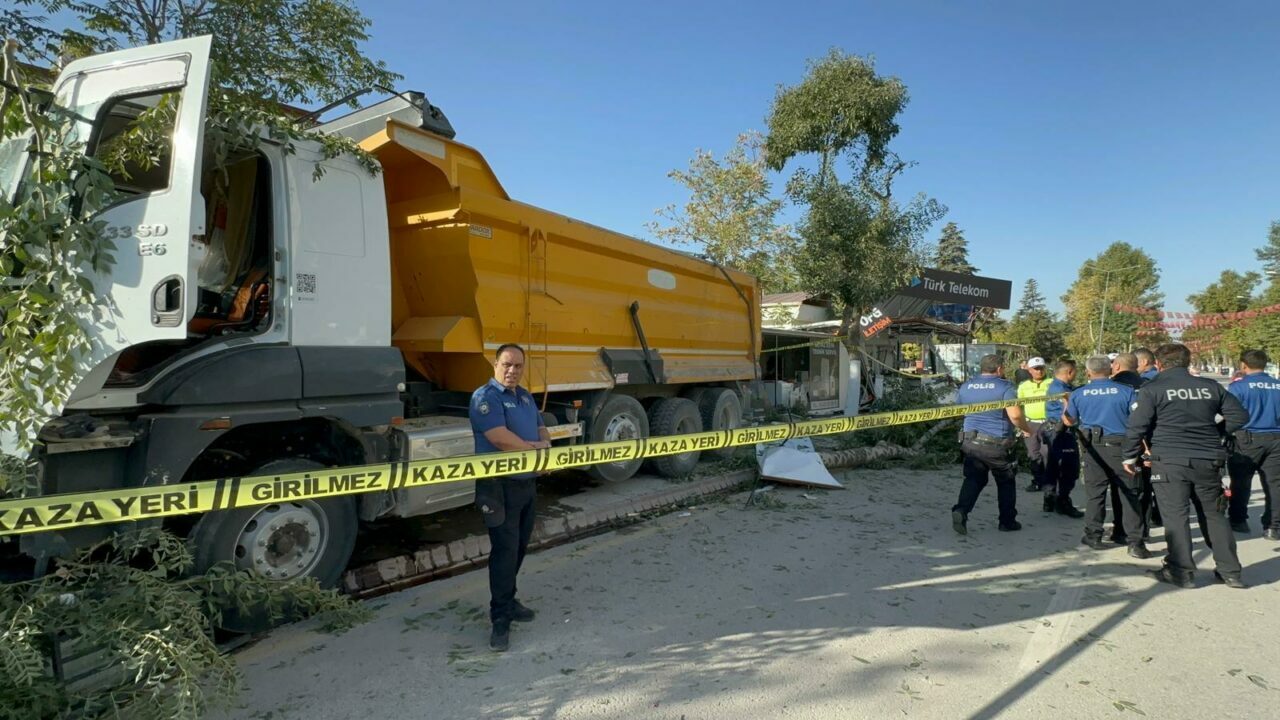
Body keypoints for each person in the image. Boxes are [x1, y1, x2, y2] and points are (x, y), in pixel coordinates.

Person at [1122, 343, 1249, 589]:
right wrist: (1216, 432)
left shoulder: (1152, 388)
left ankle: (1181, 571)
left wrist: (1129, 456)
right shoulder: (1210, 387)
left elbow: (1137, 426)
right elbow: (1240, 416)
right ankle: (1231, 572)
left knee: (1176, 516)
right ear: (1187, 362)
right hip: (1208, 459)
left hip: (1169, 460)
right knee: (1214, 515)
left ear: (1159, 364)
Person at [469, 344, 552, 651]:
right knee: (504, 552)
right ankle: (500, 619)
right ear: (495, 364)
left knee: (518, 548)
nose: (512, 370)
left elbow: (543, 430)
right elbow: (500, 439)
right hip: (497, 486)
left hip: (525, 485)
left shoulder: (525, 396)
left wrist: (543, 449)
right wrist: (536, 451)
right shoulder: (485, 397)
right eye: (507, 364)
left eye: (518, 365)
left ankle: (509, 599)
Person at [1065, 356, 1151, 558]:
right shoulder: (1127, 391)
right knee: (1130, 494)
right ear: (1111, 370)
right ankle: (1135, 543)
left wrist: (1066, 404)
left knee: (1096, 494)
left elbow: (1069, 421)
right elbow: (1137, 421)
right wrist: (1144, 447)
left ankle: (1094, 536)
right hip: (1122, 447)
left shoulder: (1078, 393)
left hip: (1093, 448)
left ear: (1088, 372)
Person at [952, 354, 1035, 535]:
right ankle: (1007, 521)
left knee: (973, 479)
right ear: (999, 369)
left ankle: (961, 510)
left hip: (971, 442)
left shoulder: (966, 386)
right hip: (997, 444)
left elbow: (957, 411)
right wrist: (1027, 429)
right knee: (1006, 482)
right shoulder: (1005, 387)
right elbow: (1015, 415)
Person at [1226, 349, 1280, 540]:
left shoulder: (1238, 387)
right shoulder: (1278, 385)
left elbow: (1229, 414)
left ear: (1243, 365)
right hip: (1276, 438)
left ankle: (1238, 520)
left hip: (1246, 439)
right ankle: (1273, 526)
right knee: (1275, 484)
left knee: (1241, 481)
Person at [1041, 360, 1083, 517]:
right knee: (1069, 467)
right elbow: (1068, 415)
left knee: (1053, 465)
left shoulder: (1058, 387)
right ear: (1069, 372)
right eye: (1075, 371)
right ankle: (1063, 501)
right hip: (1061, 431)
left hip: (1054, 429)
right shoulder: (1061, 390)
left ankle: (1049, 499)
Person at [1017, 357, 1052, 492]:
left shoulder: (1052, 383)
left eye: (1041, 368)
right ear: (1030, 370)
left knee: (1047, 453)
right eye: (1036, 369)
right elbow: (1018, 407)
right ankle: (1037, 481)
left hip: (1048, 423)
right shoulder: (1023, 386)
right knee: (1033, 454)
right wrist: (1022, 426)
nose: (1039, 371)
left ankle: (1049, 482)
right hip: (1030, 424)